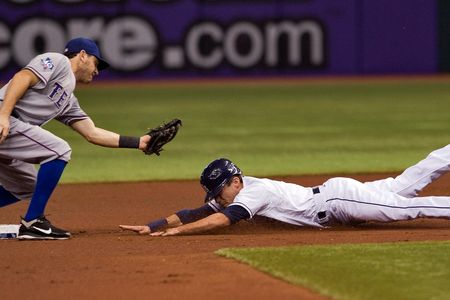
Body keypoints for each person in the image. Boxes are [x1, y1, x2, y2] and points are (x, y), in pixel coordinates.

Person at [0, 37, 157, 240]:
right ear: (82, 55)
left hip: (10, 128)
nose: (97, 71)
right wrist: (4, 115)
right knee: (59, 150)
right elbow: (23, 77)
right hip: (5, 119)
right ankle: (33, 222)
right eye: (96, 63)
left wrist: (139, 142)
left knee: (27, 185)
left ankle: (33, 221)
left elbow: (92, 133)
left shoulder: (68, 99)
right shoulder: (57, 61)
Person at [120, 144, 450, 236]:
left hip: (337, 201)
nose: (216, 199)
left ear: (235, 182)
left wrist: (180, 234)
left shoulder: (252, 193)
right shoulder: (238, 192)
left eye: (219, 191)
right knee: (402, 186)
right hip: (336, 196)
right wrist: (153, 225)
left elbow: (220, 222)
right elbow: (196, 212)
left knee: (407, 207)